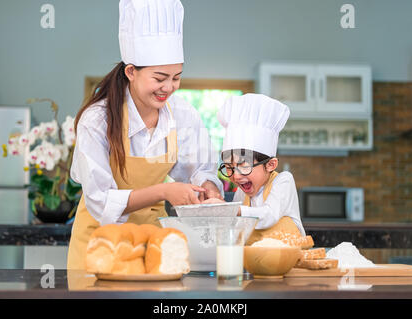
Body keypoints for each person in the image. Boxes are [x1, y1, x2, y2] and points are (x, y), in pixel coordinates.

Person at [67, 0, 223, 270]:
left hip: (153, 246)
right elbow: (100, 200)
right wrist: (164, 190)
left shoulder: (183, 115)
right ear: (131, 72)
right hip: (99, 245)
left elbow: (201, 169)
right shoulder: (97, 120)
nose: (169, 87)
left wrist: (209, 191)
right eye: (159, 78)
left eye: (176, 77)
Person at [217, 93, 305, 244]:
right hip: (253, 261)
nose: (236, 177)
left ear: (270, 165)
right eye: (229, 167)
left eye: (244, 166)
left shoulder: (283, 181)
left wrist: (232, 210)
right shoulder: (241, 192)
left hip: (288, 261)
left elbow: (269, 215)